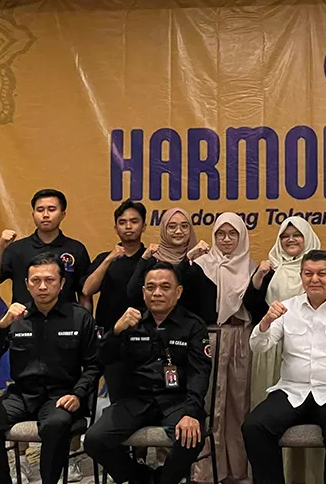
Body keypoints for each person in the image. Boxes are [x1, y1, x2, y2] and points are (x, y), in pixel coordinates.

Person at [243, 250, 326, 484]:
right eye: (308, 273)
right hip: (292, 391)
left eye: (321, 273)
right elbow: (258, 346)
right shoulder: (287, 308)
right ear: (301, 277)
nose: (314, 279)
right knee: (254, 426)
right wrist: (266, 321)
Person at [0, 252, 100, 484]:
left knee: (55, 425)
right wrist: (2, 326)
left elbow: (94, 364)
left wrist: (78, 394)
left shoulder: (79, 318)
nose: (42, 286)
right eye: (35, 280)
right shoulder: (16, 317)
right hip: (22, 395)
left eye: (49, 280)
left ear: (62, 283)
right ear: (27, 284)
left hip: (61, 396)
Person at [85, 262, 212, 484]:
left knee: (191, 438)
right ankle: (142, 478)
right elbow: (103, 359)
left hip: (177, 401)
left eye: (165, 287)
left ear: (178, 292)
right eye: (151, 287)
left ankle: (164, 480)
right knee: (94, 440)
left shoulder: (193, 325)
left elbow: (199, 373)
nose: (157, 293)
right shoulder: (130, 322)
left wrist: (192, 412)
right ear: (143, 292)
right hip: (136, 401)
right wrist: (115, 332)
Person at [245, 216, 326, 484]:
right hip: (273, 351)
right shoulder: (271, 268)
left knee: (310, 417)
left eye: (297, 235)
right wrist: (259, 277)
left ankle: (309, 478)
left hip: (307, 351)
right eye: (285, 236)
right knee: (271, 419)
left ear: (307, 237)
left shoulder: (317, 269)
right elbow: (253, 307)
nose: (290, 240)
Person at [192, 213, 256, 484]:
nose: (226, 239)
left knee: (239, 405)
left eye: (232, 234)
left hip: (242, 338)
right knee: (210, 404)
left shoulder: (252, 268)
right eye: (221, 234)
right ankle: (208, 471)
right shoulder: (200, 266)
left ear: (241, 236)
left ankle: (238, 470)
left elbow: (257, 307)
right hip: (211, 338)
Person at [82, 199, 148, 402]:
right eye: (122, 222)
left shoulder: (151, 258)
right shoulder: (105, 258)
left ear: (144, 226)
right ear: (115, 227)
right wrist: (110, 258)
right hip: (111, 336)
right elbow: (87, 289)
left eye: (134, 221)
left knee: (142, 394)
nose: (128, 226)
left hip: (143, 336)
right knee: (116, 395)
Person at [0, 188, 92, 308]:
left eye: (51, 209)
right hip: (24, 317)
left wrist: (86, 319)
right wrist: (0, 248)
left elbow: (84, 294)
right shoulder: (17, 249)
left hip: (66, 318)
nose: (45, 215)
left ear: (62, 214)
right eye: (40, 210)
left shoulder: (76, 249)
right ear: (33, 214)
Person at [128, 207, 218, 325]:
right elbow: (132, 295)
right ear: (164, 229)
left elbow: (208, 304)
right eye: (172, 226)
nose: (179, 231)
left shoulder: (200, 258)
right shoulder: (153, 259)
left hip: (192, 329)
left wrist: (189, 259)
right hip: (156, 327)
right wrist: (143, 259)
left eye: (184, 226)